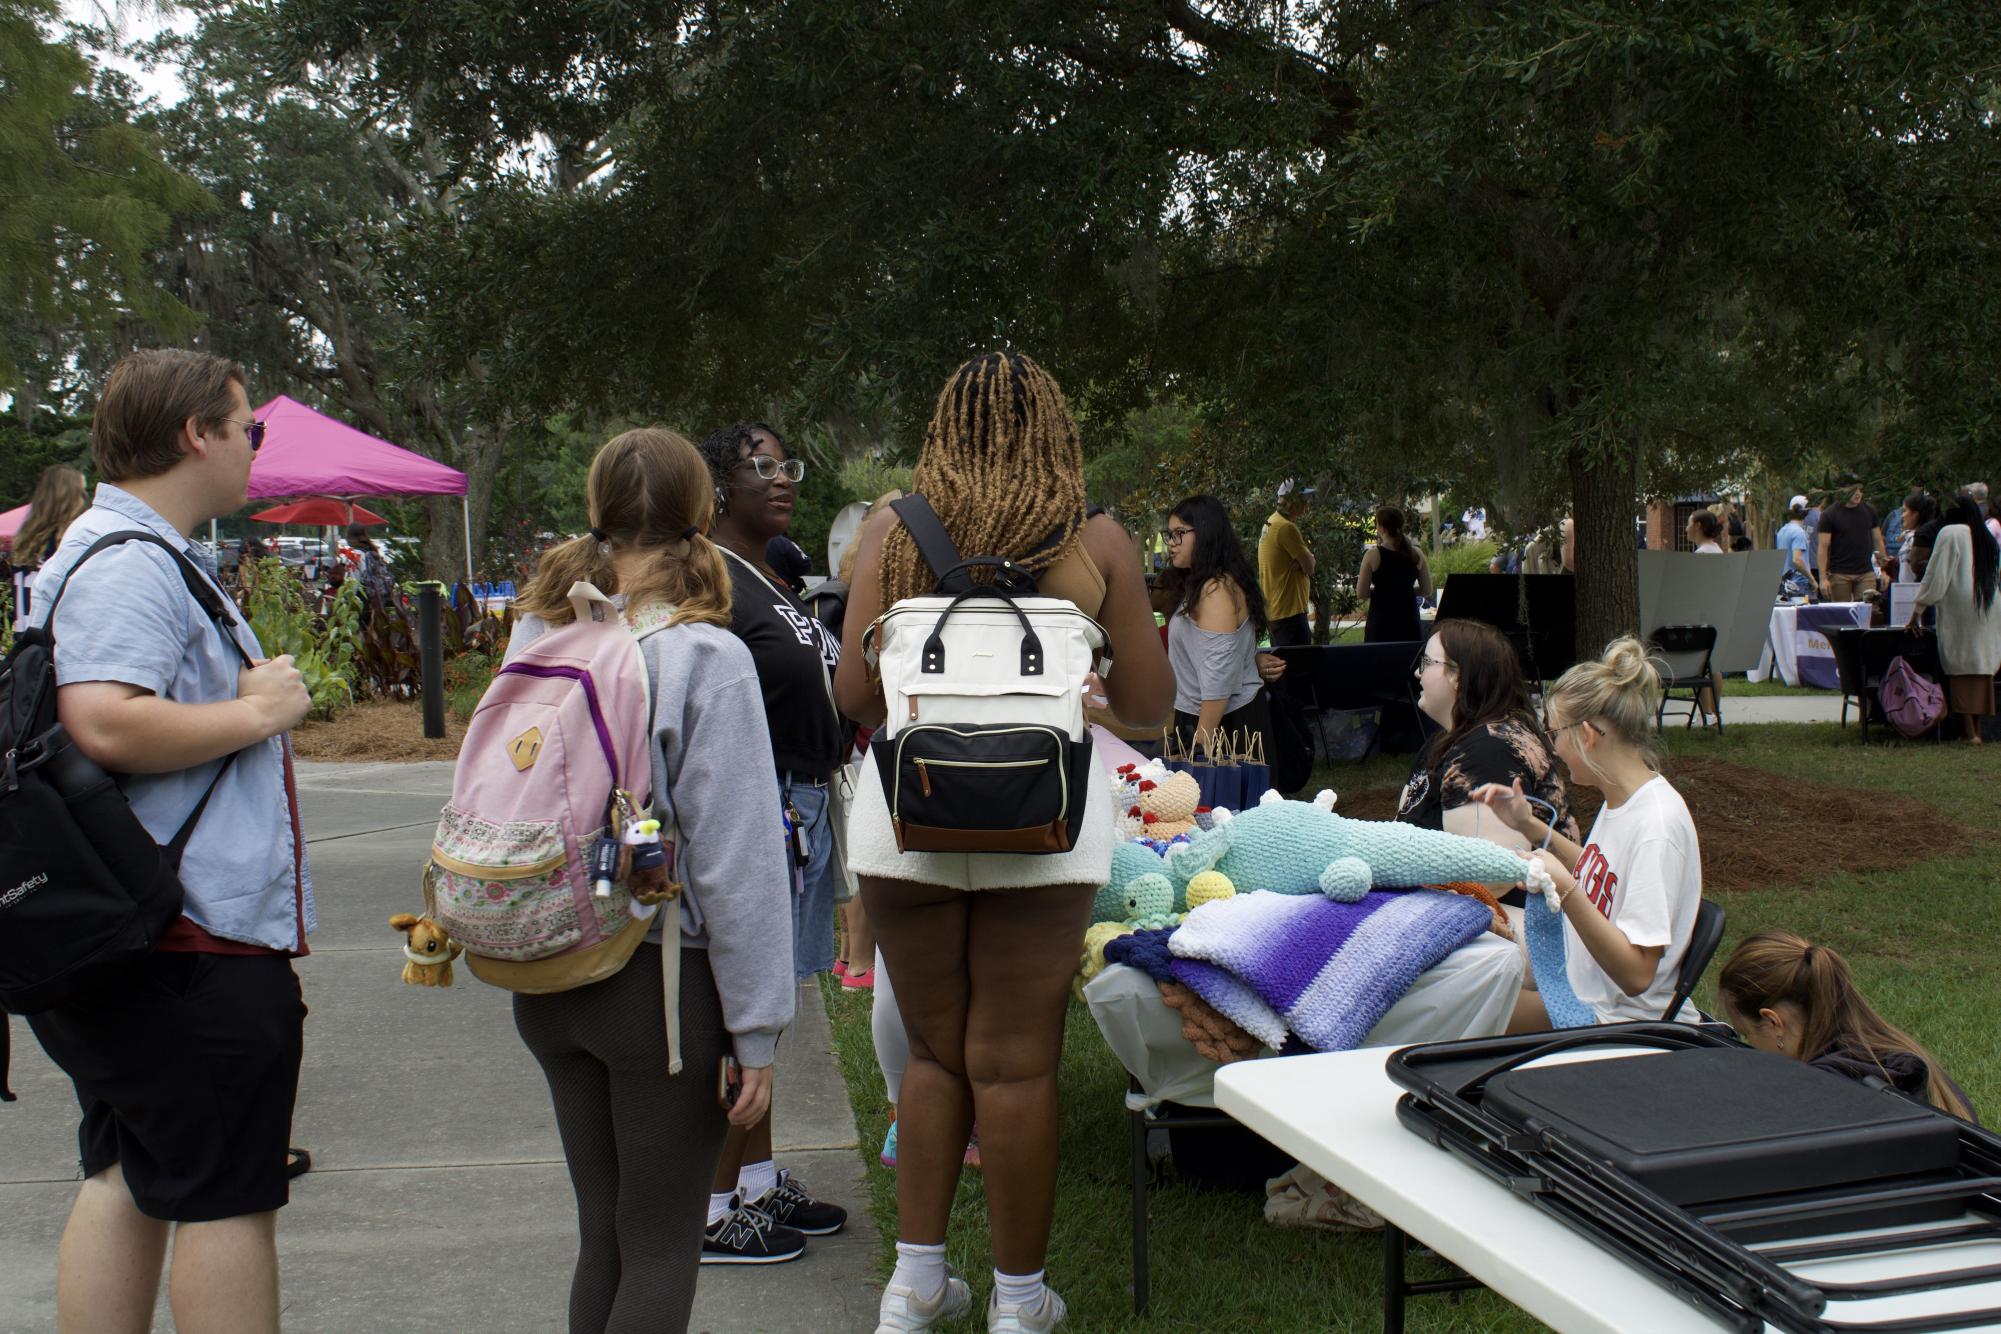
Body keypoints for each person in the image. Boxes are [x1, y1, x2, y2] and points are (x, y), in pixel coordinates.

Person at [834, 351, 1173, 1333]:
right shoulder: (1097, 539)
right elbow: (1152, 706)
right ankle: (1020, 1302)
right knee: (1017, 1063)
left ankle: (917, 1285)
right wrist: (1082, 679)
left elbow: (853, 699)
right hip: (1048, 815)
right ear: (1056, 432)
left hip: (907, 812)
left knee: (935, 1055)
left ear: (946, 426)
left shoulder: (890, 530)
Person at [25, 348, 313, 1332]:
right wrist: (255, 709)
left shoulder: (99, 549)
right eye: (249, 428)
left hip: (133, 933)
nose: (253, 451)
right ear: (197, 433)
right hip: (188, 940)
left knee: (125, 1169)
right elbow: (103, 718)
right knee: (228, 1194)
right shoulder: (131, 561)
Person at [507, 427, 796, 1329]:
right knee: (664, 1240)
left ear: (597, 515)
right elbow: (737, 860)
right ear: (702, 514)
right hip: (658, 987)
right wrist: (757, 1029)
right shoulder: (702, 658)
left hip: (546, 965)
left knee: (606, 1235)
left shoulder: (540, 633)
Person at [694, 420, 851, 1260]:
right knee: (744, 1008)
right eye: (762, 469)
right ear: (718, 486)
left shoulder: (771, 573)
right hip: (765, 805)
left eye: (787, 463)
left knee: (774, 1013)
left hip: (804, 800)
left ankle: (756, 1185)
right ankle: (712, 1207)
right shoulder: (712, 579)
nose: (783, 479)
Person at [1470, 637, 1701, 1030]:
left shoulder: (1656, 826)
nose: (1553, 747)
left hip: (1613, 1019)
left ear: (1588, 734)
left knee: (1457, 1010)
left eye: (1554, 732)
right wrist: (1528, 823)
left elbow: (1636, 975)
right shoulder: (1626, 801)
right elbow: (1602, 870)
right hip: (1583, 990)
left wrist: (1566, 889)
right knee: (1464, 976)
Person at [1718, 930, 1976, 1120]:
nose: (1749, 1047)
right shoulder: (1889, 1049)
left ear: (1774, 1023)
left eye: (1746, 1034)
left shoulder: (1825, 1094)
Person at [1399, 619, 1579, 871]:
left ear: (1457, 676)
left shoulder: (1488, 752)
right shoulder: (1458, 738)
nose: (1418, 672)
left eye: (1427, 663)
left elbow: (1491, 879)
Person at [1161, 494, 1274, 760]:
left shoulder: (1216, 590)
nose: (1171, 544)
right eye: (1169, 534)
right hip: (1207, 717)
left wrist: (1200, 746)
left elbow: (1218, 678)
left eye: (1179, 533)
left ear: (1206, 534)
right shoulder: (1201, 583)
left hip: (1222, 725)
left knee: (1220, 801)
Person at [1907, 492, 2001, 745]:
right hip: (1988, 606)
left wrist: (1918, 608)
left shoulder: (1951, 533)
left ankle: (1969, 732)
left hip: (1961, 609)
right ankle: (1977, 729)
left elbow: (1936, 575)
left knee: (1959, 668)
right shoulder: (1985, 536)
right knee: (1982, 669)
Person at [9, 462, 88, 631]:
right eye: (82, 492)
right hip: (50, 639)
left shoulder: (26, 541)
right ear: (70, 498)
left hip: (25, 637)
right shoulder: (68, 542)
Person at [1356, 505, 1432, 643]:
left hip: (1381, 625)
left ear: (1382, 528)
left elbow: (1361, 593)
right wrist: (1404, 591)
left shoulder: (1373, 555)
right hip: (1409, 622)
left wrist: (1384, 592)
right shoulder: (1417, 554)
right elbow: (1427, 590)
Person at [1257, 480, 1315, 648]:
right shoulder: (1286, 528)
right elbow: (1310, 568)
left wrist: (1302, 561)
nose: (1307, 502)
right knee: (1298, 669)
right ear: (1291, 501)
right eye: (1304, 498)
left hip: (1277, 613)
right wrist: (1308, 559)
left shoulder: (1271, 522)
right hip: (1290, 614)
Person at [1816, 477, 1889, 604]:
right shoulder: (1829, 514)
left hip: (1865, 571)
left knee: (1867, 611)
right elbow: (1823, 547)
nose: (1858, 493)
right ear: (1842, 490)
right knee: (1841, 612)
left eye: (1860, 490)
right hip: (1839, 572)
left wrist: (1883, 570)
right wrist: (1823, 578)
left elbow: (1878, 541)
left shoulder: (1869, 510)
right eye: (1853, 490)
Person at [1775, 496, 1813, 599]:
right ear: (1806, 512)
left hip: (1784, 584)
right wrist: (1812, 580)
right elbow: (1797, 559)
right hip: (1798, 584)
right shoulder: (1799, 532)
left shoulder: (1782, 530)